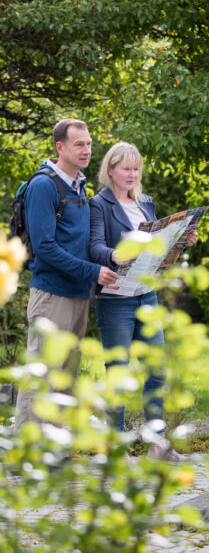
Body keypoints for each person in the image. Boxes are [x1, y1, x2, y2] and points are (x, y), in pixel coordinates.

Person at [89, 141, 197, 461]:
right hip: (115, 300)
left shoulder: (146, 203)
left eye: (136, 169)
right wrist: (114, 255)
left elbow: (158, 246)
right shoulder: (99, 205)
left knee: (156, 372)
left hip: (146, 296)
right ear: (110, 170)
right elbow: (93, 246)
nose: (132, 174)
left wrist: (180, 240)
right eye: (126, 168)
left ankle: (157, 445)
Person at [15, 119, 119, 430]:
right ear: (60, 147)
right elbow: (46, 247)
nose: (87, 150)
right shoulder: (44, 186)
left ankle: (54, 449)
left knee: (65, 377)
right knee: (43, 373)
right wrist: (92, 271)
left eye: (88, 144)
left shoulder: (79, 185)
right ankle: (29, 450)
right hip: (51, 295)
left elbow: (86, 242)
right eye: (79, 144)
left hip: (77, 293)